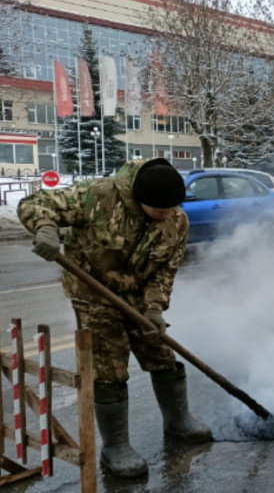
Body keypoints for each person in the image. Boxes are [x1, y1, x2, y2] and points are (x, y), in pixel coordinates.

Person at [17, 158, 211, 478]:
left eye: (173, 208)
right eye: (161, 209)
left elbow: (165, 270)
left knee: (161, 353)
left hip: (138, 297)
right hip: (94, 294)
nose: (169, 214)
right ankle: (116, 446)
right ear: (140, 200)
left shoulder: (176, 220)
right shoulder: (97, 196)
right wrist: (47, 228)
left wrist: (154, 309)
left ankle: (178, 421)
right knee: (109, 367)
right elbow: (37, 202)